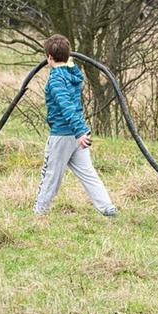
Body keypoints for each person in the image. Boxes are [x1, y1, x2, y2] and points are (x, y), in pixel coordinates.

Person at [33, 35, 118, 217]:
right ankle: (107, 207)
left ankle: (39, 213)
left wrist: (79, 132)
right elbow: (77, 75)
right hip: (77, 134)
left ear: (49, 57)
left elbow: (67, 107)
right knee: (88, 173)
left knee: (51, 176)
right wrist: (80, 132)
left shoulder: (56, 80)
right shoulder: (72, 74)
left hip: (63, 135)